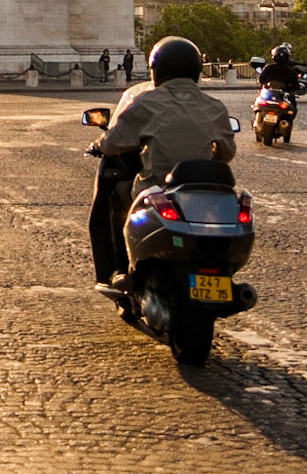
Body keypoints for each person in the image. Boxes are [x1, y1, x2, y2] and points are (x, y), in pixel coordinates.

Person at [87, 35, 236, 289]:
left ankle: (121, 271)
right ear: (196, 71)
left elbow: (114, 143)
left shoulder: (146, 103)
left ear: (156, 71)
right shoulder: (215, 107)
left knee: (118, 196)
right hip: (202, 193)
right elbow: (226, 153)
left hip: (158, 189)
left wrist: (98, 145)